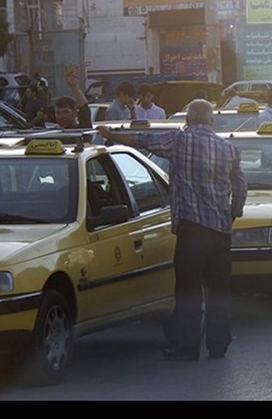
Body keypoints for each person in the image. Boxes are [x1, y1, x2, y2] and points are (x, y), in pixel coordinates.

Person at [96, 99, 247, 361]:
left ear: (188, 120)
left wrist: (111, 135)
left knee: (188, 291)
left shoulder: (178, 141)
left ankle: (187, 348)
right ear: (211, 120)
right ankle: (218, 345)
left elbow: (142, 139)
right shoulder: (229, 148)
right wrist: (233, 213)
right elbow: (241, 187)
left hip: (192, 230)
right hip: (221, 231)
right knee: (219, 290)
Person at [52, 62, 92, 129]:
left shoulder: (81, 131)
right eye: (58, 113)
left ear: (75, 113)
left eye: (65, 112)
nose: (61, 116)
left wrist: (74, 86)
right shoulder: (51, 134)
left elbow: (84, 108)